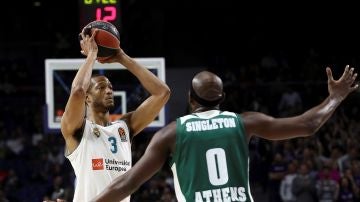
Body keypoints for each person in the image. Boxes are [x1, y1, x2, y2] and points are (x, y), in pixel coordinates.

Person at [92, 66, 358, 202]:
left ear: (189, 99)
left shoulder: (171, 134)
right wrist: (335, 97)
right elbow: (308, 125)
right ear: (222, 98)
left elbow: (127, 184)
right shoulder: (245, 122)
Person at [60, 28, 170, 202]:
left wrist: (121, 57)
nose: (109, 90)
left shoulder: (124, 127)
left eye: (110, 86)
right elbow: (78, 91)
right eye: (101, 87)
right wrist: (92, 56)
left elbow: (162, 93)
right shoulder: (77, 130)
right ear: (87, 98)